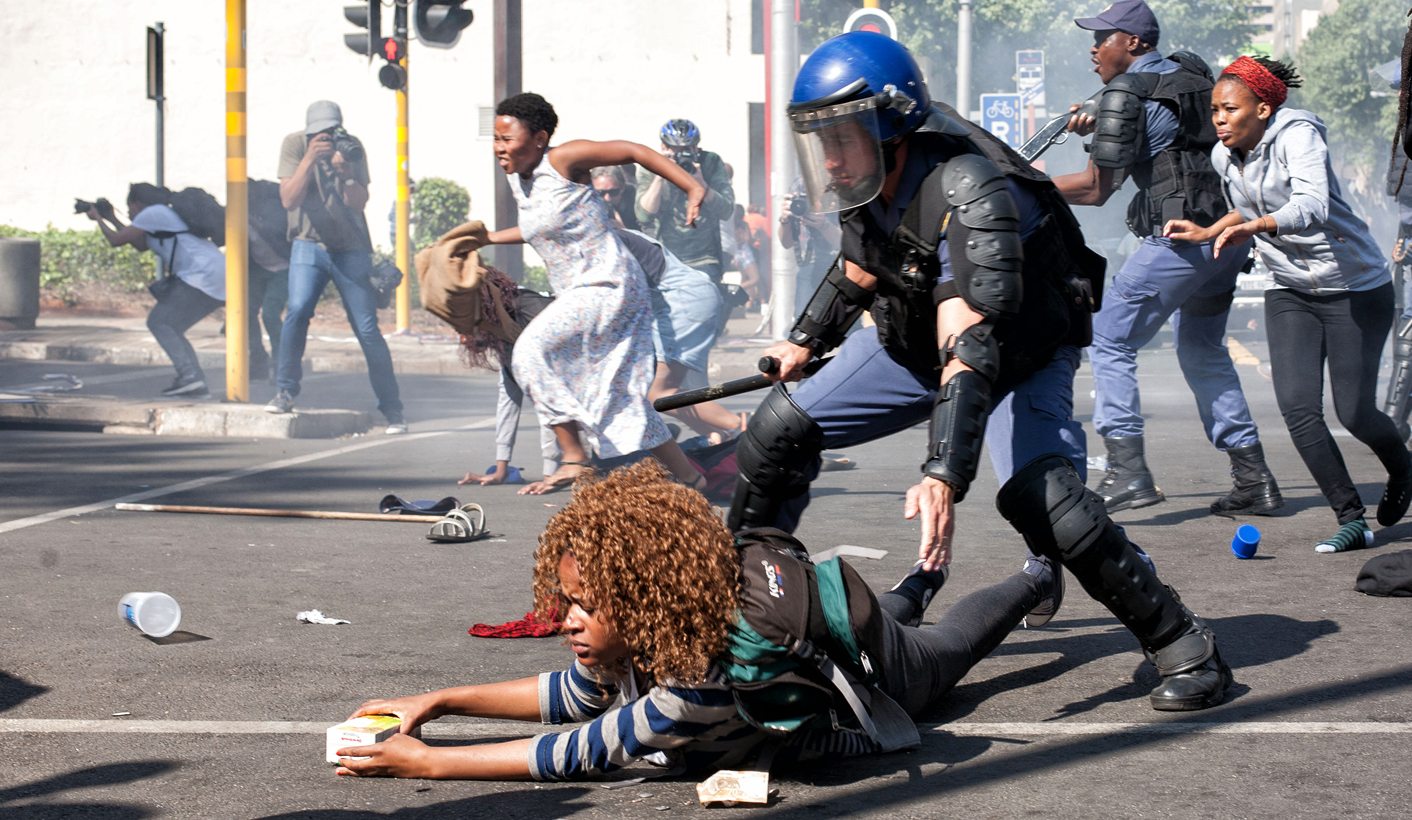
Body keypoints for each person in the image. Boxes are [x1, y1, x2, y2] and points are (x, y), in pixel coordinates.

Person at [730, 31, 1232, 711]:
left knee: (1043, 498)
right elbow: (858, 264)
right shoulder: (867, 174)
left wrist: (942, 473)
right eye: (821, 139)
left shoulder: (967, 184)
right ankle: (748, 613)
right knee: (776, 432)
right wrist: (803, 340)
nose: (830, 157)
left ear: (890, 125)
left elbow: (969, 346)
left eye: (841, 136)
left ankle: (1184, 643)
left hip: (1019, 351)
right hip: (912, 343)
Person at [332, 460, 1063, 780]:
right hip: (829, 625)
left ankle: (1038, 573)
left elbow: (577, 750)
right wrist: (439, 700)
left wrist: (430, 762)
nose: (569, 621)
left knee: (944, 650)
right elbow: (575, 696)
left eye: (588, 605)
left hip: (872, 676)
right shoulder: (655, 625)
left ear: (648, 596)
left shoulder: (696, 684)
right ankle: (919, 577)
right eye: (569, 604)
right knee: (895, 612)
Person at [1165, 56, 1412, 553]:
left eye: (1229, 109)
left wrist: (1249, 230)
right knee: (1298, 408)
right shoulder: (1223, 157)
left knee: (1356, 412)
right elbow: (1249, 204)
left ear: (1262, 109)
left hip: (1354, 287)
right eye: (1214, 109)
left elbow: (1311, 206)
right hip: (1290, 289)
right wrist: (1213, 228)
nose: (1218, 118)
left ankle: (1404, 468)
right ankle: (1350, 518)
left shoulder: (1299, 136)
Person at [1052, 0, 1281, 516]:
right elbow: (1169, 138)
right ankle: (1254, 478)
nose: (1094, 47)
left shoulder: (1126, 92)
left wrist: (1020, 182)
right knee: (1202, 351)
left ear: (1133, 43)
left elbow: (1094, 189)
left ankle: (1128, 471)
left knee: (1109, 335)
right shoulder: (1195, 78)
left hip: (1182, 239)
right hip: (1228, 237)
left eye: (1104, 36)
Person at [470, 93, 708, 494]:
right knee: (619, 400)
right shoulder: (517, 178)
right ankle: (692, 478)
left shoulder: (564, 160)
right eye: (495, 139)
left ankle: (575, 457)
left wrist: (692, 188)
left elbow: (632, 151)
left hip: (609, 286)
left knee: (529, 352)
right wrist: (488, 238)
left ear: (540, 138)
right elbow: (540, 230)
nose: (498, 148)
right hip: (579, 295)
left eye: (507, 139)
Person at [267, 100, 406, 434]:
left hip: (350, 250)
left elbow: (359, 203)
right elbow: (288, 199)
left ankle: (393, 410)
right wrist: (310, 159)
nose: (327, 138)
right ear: (310, 132)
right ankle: (285, 391)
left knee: (367, 328)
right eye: (320, 133)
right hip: (308, 244)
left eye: (332, 131)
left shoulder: (351, 149)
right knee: (297, 311)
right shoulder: (295, 145)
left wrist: (345, 173)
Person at [87, 184, 226, 397]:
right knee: (170, 325)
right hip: (211, 273)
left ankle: (191, 376)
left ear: (137, 204)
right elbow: (140, 244)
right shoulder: (161, 214)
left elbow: (116, 240)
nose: (130, 213)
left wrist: (97, 218)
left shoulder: (154, 212)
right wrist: (111, 218)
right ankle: (191, 378)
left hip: (202, 274)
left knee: (159, 322)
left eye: (129, 208)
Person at [635, 119, 736, 284]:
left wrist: (703, 185)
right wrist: (660, 175)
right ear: (664, 147)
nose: (683, 155)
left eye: (688, 149)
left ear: (697, 147)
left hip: (705, 256)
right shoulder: (650, 166)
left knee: (705, 304)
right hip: (667, 255)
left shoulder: (710, 163)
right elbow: (643, 215)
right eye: (676, 150)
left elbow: (727, 210)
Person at [247, 178, 291, 384]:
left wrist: (256, 222)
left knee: (271, 315)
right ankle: (258, 361)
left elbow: (279, 234)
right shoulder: (237, 214)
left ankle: (281, 366)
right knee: (245, 313)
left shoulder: (271, 208)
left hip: (282, 267)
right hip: (257, 268)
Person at [778, 177, 842, 319]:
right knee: (803, 323)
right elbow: (786, 243)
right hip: (809, 268)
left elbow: (845, 243)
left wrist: (824, 225)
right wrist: (785, 219)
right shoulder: (800, 183)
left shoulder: (840, 182)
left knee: (843, 324)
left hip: (840, 269)